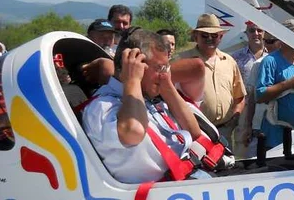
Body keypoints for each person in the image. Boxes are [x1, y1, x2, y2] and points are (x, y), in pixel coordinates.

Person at [82, 28, 211, 184]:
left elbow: (194, 132)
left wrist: (167, 85)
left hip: (190, 180)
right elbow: (133, 132)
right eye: (159, 68)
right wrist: (132, 80)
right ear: (134, 65)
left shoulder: (148, 97)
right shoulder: (101, 107)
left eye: (166, 67)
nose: (164, 74)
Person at [176, 14, 246, 149]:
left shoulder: (229, 61)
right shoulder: (181, 61)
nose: (209, 38)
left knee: (225, 168)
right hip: (195, 131)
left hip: (225, 131)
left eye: (214, 35)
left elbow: (239, 96)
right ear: (196, 36)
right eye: (204, 35)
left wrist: (235, 119)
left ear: (221, 36)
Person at [255, 19, 294, 149]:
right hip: (276, 135)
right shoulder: (270, 61)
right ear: (285, 37)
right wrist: (290, 83)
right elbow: (260, 95)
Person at [230, 22, 268, 158]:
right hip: (245, 109)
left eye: (259, 30)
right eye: (252, 31)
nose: (256, 34)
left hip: (267, 108)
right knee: (243, 147)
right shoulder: (235, 57)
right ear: (246, 34)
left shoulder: (272, 55)